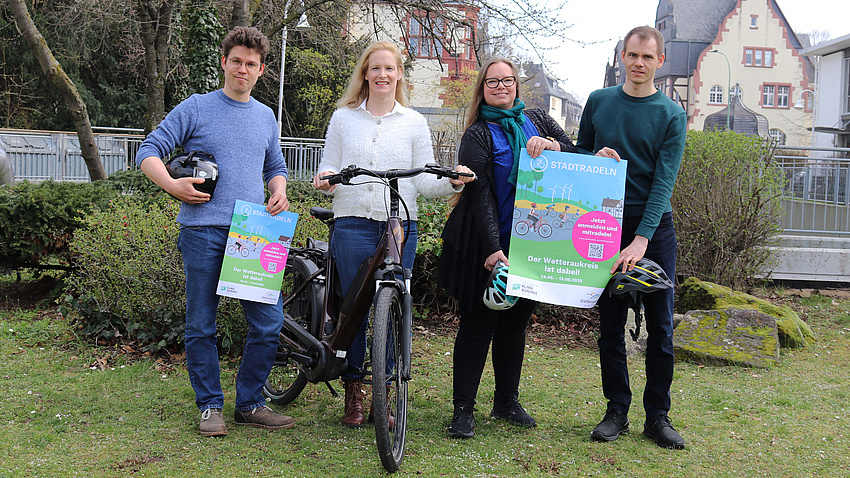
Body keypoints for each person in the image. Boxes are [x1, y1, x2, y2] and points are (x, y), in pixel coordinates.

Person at [136, 26, 294, 437]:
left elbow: (275, 167)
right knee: (202, 325)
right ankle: (210, 407)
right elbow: (148, 151)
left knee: (268, 323)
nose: (243, 69)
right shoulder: (196, 107)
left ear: (261, 70)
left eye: (252, 64)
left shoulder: (265, 116)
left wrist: (278, 190)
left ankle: (250, 403)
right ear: (224, 62)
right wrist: (173, 186)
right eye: (237, 61)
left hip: (253, 232)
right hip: (203, 231)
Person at [312, 41, 474, 428]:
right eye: (374, 68)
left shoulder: (414, 122)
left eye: (389, 68)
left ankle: (382, 393)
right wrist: (326, 180)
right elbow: (328, 166)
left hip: (400, 226)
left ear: (399, 74)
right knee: (353, 312)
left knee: (389, 309)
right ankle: (354, 389)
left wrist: (453, 181)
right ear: (364, 74)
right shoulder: (343, 118)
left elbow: (423, 180)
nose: (382, 75)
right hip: (351, 222)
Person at [438, 58, 579, 439]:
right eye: (492, 81)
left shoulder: (536, 119)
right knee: (478, 324)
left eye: (508, 80)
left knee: (515, 325)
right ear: (482, 88)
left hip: (532, 243)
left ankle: (506, 401)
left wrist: (552, 146)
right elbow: (480, 194)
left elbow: (574, 154)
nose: (501, 86)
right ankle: (463, 410)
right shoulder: (478, 134)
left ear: (517, 84)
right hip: (485, 241)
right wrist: (493, 249)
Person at [576, 25, 687, 449]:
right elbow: (580, 151)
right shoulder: (598, 102)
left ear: (660, 62)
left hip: (654, 230)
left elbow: (663, 184)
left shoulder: (671, 115)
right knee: (610, 324)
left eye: (647, 57)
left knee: (660, 328)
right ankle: (616, 410)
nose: (638, 63)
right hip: (605, 225)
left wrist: (641, 240)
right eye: (632, 55)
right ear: (622, 56)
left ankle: (657, 416)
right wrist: (593, 156)